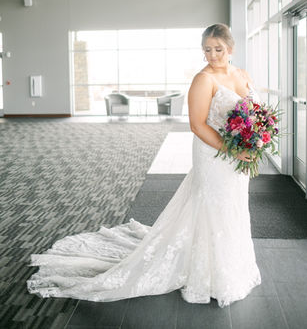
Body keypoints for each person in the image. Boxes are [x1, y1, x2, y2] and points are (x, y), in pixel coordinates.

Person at [27, 23, 261, 307]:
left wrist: (255, 139)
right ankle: (207, 274)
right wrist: (232, 150)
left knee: (233, 206)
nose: (213, 55)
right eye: (207, 50)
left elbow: (254, 114)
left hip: (238, 156)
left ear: (231, 48)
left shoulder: (241, 74)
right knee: (212, 207)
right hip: (214, 154)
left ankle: (231, 267)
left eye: (218, 49)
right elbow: (197, 125)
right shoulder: (204, 80)